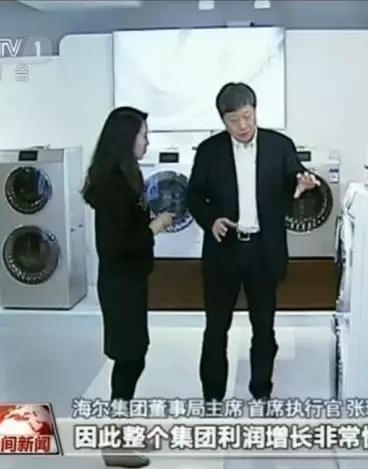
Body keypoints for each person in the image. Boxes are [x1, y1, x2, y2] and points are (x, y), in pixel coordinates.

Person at [186, 83, 320, 402]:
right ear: (223, 120)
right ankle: (212, 398)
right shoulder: (209, 150)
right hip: (224, 250)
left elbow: (295, 178)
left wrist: (303, 184)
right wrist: (211, 220)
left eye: (247, 116)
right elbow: (193, 195)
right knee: (216, 328)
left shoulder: (279, 145)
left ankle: (261, 393)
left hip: (264, 250)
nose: (242, 126)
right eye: (234, 120)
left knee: (263, 328)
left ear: (256, 110)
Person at [82, 106, 174, 468]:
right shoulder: (112, 186)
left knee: (134, 355)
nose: (147, 142)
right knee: (129, 358)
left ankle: (119, 433)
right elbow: (114, 245)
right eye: (143, 136)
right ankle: (114, 442)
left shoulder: (127, 175)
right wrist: (154, 227)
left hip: (131, 280)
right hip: (120, 284)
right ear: (126, 139)